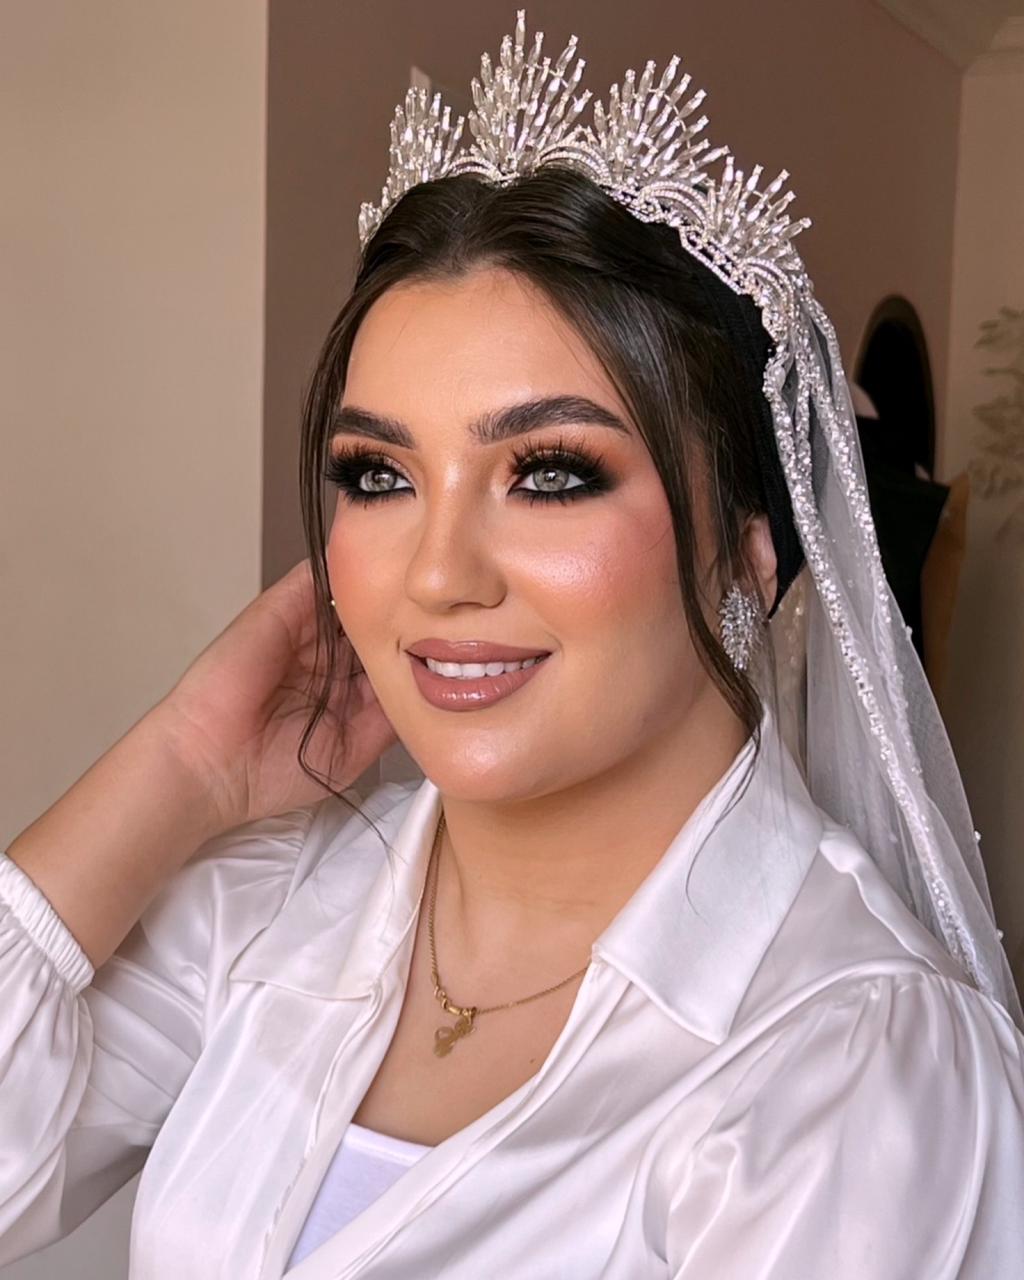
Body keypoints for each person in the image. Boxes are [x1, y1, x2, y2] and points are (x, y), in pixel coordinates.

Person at [2, 9, 1023, 1277]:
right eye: (378, 475)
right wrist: (182, 766)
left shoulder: (847, 1065)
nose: (439, 573)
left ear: (749, 550)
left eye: (549, 473)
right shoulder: (270, 906)